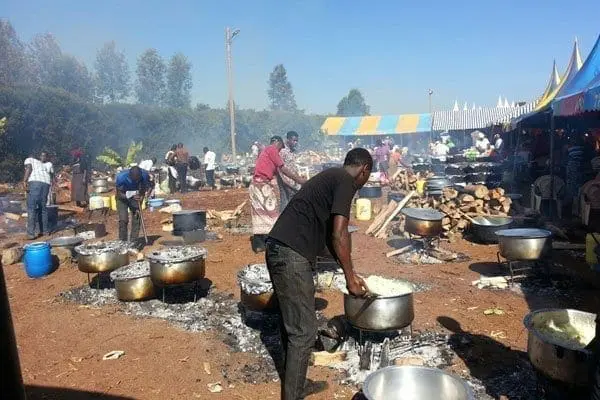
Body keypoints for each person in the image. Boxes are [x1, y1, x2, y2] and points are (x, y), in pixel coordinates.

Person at [266, 148, 372, 400]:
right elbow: (338, 234)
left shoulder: (331, 178)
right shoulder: (346, 182)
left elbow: (328, 239)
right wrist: (350, 277)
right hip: (291, 255)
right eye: (367, 178)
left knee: (291, 324)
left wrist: (350, 271)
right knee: (303, 332)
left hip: (278, 248)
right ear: (364, 169)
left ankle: (297, 384)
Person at [249, 136, 305, 252]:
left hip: (258, 185)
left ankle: (260, 244)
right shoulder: (271, 149)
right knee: (270, 213)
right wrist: (300, 181)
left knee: (262, 214)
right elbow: (283, 169)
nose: (280, 151)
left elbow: (279, 175)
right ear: (277, 143)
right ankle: (267, 242)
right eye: (280, 148)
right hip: (261, 185)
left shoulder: (266, 152)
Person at [115, 166, 150, 243]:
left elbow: (143, 189)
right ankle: (122, 242)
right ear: (130, 175)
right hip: (123, 198)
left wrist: (141, 199)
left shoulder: (145, 176)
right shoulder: (121, 177)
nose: (136, 181)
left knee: (137, 218)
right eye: (134, 179)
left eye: (138, 179)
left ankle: (134, 241)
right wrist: (130, 196)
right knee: (123, 220)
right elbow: (119, 194)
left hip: (135, 198)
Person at [23, 151, 54, 239]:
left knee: (31, 208)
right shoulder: (49, 164)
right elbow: (52, 175)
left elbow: (29, 168)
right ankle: (45, 231)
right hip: (46, 184)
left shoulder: (30, 160)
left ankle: (31, 234)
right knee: (43, 208)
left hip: (35, 183)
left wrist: (24, 181)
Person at [277, 131, 302, 211]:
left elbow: (293, 166)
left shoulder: (293, 151)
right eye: (293, 140)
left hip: (293, 180)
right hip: (285, 180)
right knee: (285, 201)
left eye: (296, 141)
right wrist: (285, 180)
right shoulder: (283, 151)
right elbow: (280, 167)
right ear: (288, 140)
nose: (295, 142)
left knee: (290, 200)